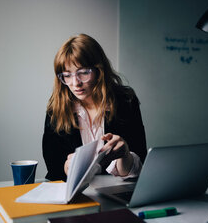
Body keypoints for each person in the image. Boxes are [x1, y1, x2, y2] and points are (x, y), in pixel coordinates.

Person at [42, 33, 147, 182]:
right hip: (76, 194)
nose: (75, 83)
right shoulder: (56, 109)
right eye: (67, 75)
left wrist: (125, 155)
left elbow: (139, 164)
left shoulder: (125, 101)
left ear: (99, 70)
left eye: (83, 73)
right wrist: (67, 167)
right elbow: (53, 168)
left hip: (117, 191)